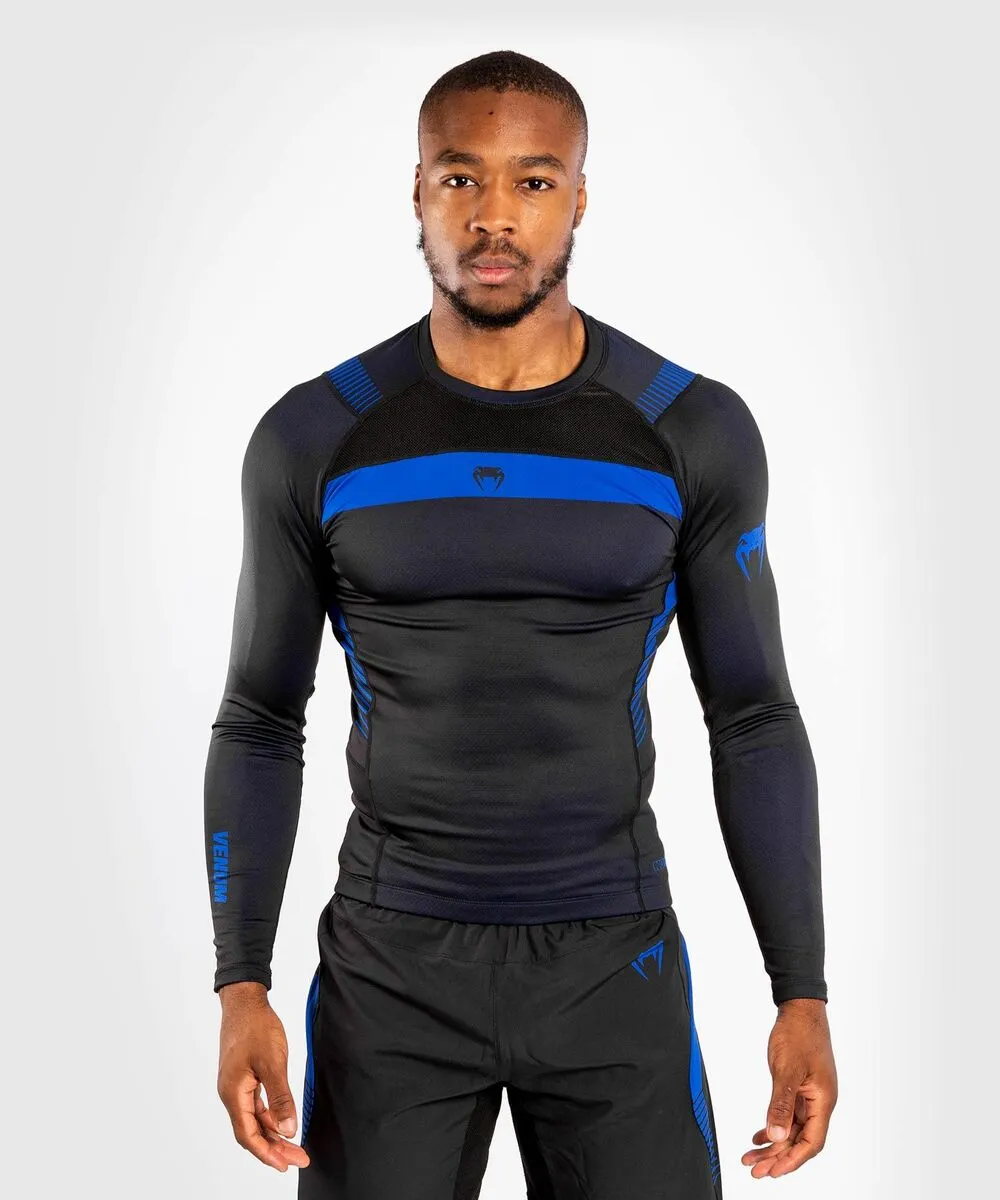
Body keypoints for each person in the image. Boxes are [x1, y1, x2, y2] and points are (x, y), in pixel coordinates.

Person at [204, 48, 837, 1199]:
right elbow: (258, 717)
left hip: (613, 958)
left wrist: (801, 991)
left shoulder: (687, 430)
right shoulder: (316, 437)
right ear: (417, 191)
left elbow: (751, 716)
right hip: (389, 969)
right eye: (460, 177)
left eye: (533, 181)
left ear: (579, 197)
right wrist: (240, 983)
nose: (493, 216)